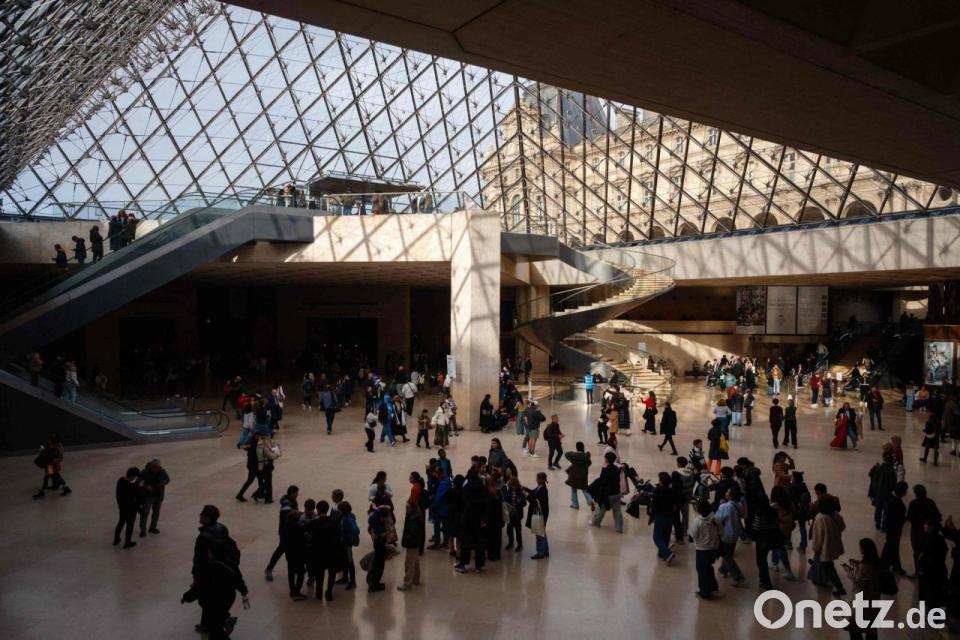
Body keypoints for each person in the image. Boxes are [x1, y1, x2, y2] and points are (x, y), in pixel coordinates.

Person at [184, 505, 249, 640]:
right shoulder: (222, 529)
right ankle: (208, 623)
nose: (200, 515)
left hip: (210, 576)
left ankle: (223, 619)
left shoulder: (204, 538)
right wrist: (242, 588)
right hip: (225, 579)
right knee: (208, 600)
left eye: (202, 514)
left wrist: (195, 576)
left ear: (208, 518)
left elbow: (199, 558)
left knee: (206, 600)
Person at [842, 539, 883, 640]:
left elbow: (858, 581)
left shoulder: (865, 567)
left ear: (864, 549)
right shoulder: (876, 563)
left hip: (862, 599)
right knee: (871, 626)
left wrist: (849, 571)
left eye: (860, 547)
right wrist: (857, 564)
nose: (859, 549)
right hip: (874, 598)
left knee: (854, 626)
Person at [305, 499, 342, 601]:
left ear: (318, 509)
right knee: (332, 574)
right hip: (332, 552)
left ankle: (319, 591)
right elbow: (339, 536)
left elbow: (306, 533)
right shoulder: (334, 522)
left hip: (318, 552)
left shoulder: (313, 523)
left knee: (319, 574)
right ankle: (329, 592)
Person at [810, 497, 847, 596]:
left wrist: (815, 548)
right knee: (827, 564)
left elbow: (818, 536)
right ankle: (822, 579)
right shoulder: (837, 515)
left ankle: (840, 587)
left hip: (824, 547)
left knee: (829, 567)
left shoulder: (820, 518)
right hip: (834, 544)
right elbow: (842, 527)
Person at [455, 469, 487, 573]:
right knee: (479, 542)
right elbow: (485, 504)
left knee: (465, 541)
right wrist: (483, 518)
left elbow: (464, 503)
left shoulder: (466, 487)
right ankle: (479, 566)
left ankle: (463, 564)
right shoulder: (482, 487)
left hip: (468, 517)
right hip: (479, 518)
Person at [264, 486, 299, 582]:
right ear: (291, 493)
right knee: (282, 549)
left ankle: (294, 567)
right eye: (296, 493)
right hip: (285, 532)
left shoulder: (292, 501)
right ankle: (269, 569)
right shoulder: (286, 505)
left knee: (287, 550)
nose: (297, 495)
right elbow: (289, 517)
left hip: (289, 531)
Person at [689, 499, 721, 599]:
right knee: (708, 567)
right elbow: (722, 531)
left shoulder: (698, 521)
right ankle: (713, 587)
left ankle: (705, 592)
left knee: (701, 569)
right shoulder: (716, 519)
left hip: (702, 549)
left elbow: (693, 535)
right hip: (714, 548)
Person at [715, 486, 746, 586]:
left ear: (731, 495)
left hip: (726, 533)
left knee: (726, 555)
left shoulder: (726, 506)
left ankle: (738, 576)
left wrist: (721, 506)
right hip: (735, 533)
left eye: (728, 491)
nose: (726, 492)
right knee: (729, 552)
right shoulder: (739, 505)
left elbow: (718, 519)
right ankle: (723, 569)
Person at [907, 484, 940, 576]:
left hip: (916, 532)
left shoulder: (913, 503)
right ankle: (926, 571)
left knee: (917, 552)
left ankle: (918, 571)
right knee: (927, 551)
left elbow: (910, 517)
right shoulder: (930, 502)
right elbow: (937, 515)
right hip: (927, 532)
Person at [590, 451, 624, 533]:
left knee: (601, 509)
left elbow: (602, 481)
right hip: (617, 492)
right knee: (617, 511)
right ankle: (619, 528)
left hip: (608, 494)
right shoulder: (617, 469)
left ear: (607, 459)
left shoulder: (605, 469)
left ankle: (596, 522)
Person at [881, 481, 908, 575]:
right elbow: (898, 518)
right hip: (894, 529)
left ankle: (893, 566)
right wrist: (907, 517)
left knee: (892, 546)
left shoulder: (891, 499)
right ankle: (887, 566)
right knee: (891, 546)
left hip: (891, 528)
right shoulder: (896, 502)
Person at [33, 433, 71, 498]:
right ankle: (65, 488)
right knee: (52, 477)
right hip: (49, 465)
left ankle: (43, 492)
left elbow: (60, 457)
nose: (50, 441)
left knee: (50, 477)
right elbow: (48, 452)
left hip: (52, 466)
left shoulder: (57, 447)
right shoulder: (53, 445)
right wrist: (43, 451)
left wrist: (54, 460)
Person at [398, 499, 425, 591]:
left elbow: (412, 532)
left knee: (409, 563)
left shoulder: (413, 518)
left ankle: (407, 583)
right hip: (415, 543)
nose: (406, 509)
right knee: (415, 561)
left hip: (412, 543)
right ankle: (416, 579)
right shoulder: (417, 515)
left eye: (407, 507)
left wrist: (407, 540)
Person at [650, 472, 676, 564]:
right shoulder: (672, 491)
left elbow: (654, 503)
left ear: (661, 481)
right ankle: (662, 554)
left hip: (660, 516)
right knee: (666, 536)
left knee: (657, 537)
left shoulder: (658, 490)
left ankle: (668, 553)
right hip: (670, 517)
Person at [114, 467, 143, 549]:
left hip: (122, 507)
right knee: (130, 525)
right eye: (135, 476)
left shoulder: (120, 481)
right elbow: (137, 495)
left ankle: (116, 539)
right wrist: (140, 487)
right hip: (131, 509)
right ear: (133, 476)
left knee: (121, 522)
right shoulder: (131, 486)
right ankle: (127, 542)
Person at [138, 459, 169, 536]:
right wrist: (146, 486)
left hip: (158, 496)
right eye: (155, 467)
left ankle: (152, 527)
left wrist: (162, 483)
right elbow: (139, 482)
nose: (156, 469)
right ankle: (143, 529)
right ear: (151, 466)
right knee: (145, 513)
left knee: (156, 512)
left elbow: (167, 479)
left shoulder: (162, 471)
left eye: (158, 467)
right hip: (148, 496)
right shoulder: (144, 472)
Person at [366, 504, 393, 592]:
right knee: (379, 564)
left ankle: (372, 581)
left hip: (377, 542)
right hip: (379, 544)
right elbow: (381, 534)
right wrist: (389, 531)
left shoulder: (375, 514)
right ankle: (375, 584)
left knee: (376, 562)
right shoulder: (377, 523)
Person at [525, 472, 550, 559]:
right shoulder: (540, 487)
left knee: (539, 533)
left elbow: (534, 501)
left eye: (537, 479)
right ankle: (545, 550)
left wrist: (526, 495)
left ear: (542, 480)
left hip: (540, 514)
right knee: (542, 532)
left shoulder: (542, 490)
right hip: (542, 513)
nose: (536, 480)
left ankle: (540, 552)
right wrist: (527, 489)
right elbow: (533, 492)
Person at [564, 442, 593, 509]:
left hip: (574, 476)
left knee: (574, 490)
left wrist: (573, 452)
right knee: (584, 489)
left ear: (576, 447)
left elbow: (566, 454)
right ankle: (590, 500)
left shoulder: (573, 455)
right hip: (583, 476)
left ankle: (575, 504)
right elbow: (589, 463)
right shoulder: (586, 456)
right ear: (583, 447)